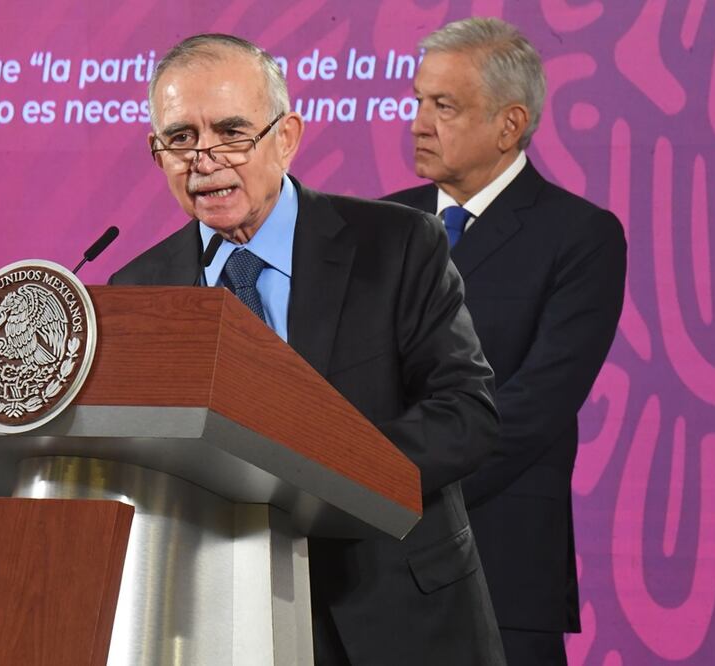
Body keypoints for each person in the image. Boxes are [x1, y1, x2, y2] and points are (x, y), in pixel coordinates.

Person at [110, 33, 506, 665]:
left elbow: (465, 415)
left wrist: (314, 473)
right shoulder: (137, 291)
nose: (204, 159)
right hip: (217, 624)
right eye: (180, 138)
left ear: (287, 137)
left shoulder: (398, 245)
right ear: (157, 154)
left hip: (400, 615)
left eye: (232, 132)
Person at [383, 18, 627, 666]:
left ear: (509, 124)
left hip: (498, 561)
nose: (418, 123)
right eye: (418, 100)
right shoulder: (379, 226)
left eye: (443, 106)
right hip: (369, 568)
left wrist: (389, 483)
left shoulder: (579, 237)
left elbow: (534, 406)